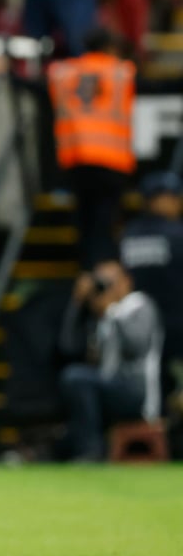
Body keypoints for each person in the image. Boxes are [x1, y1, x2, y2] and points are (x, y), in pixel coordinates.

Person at [48, 27, 136, 270]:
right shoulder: (122, 71)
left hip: (76, 159)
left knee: (84, 221)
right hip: (111, 160)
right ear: (109, 47)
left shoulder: (63, 72)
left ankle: (86, 271)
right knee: (104, 222)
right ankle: (102, 272)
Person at [57, 260, 162, 461]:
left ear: (126, 281)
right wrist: (77, 303)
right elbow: (68, 347)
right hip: (108, 387)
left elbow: (136, 345)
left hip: (137, 393)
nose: (106, 289)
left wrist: (112, 310)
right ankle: (86, 448)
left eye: (109, 282)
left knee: (76, 378)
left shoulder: (138, 305)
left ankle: (92, 450)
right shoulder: (100, 314)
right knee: (73, 378)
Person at [120, 171, 183, 408]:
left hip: (138, 333)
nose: (178, 202)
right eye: (174, 196)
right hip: (176, 329)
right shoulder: (177, 234)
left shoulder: (129, 233)